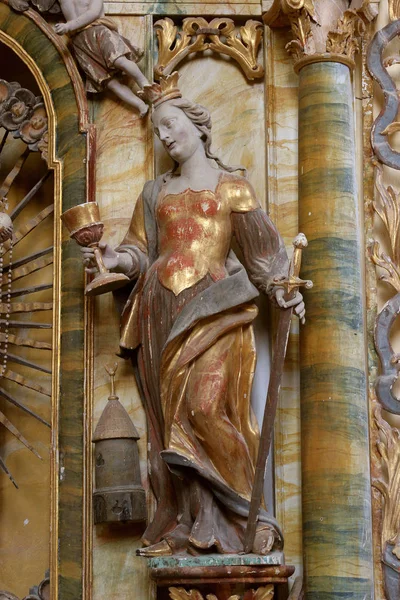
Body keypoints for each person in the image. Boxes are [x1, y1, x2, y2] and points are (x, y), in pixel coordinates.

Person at [82, 73, 305, 556]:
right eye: (159, 129)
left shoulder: (233, 188)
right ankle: (196, 520)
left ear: (197, 125)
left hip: (215, 308)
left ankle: (249, 513)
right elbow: (140, 252)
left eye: (171, 124)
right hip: (162, 309)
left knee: (206, 409)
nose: (165, 135)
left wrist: (285, 290)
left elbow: (264, 254)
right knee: (175, 419)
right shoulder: (153, 192)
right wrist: (111, 258)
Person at [55, 0, 149, 116]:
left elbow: (93, 13)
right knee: (109, 82)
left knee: (119, 60)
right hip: (79, 42)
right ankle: (140, 105)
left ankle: (145, 83)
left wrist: (69, 26)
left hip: (97, 31)